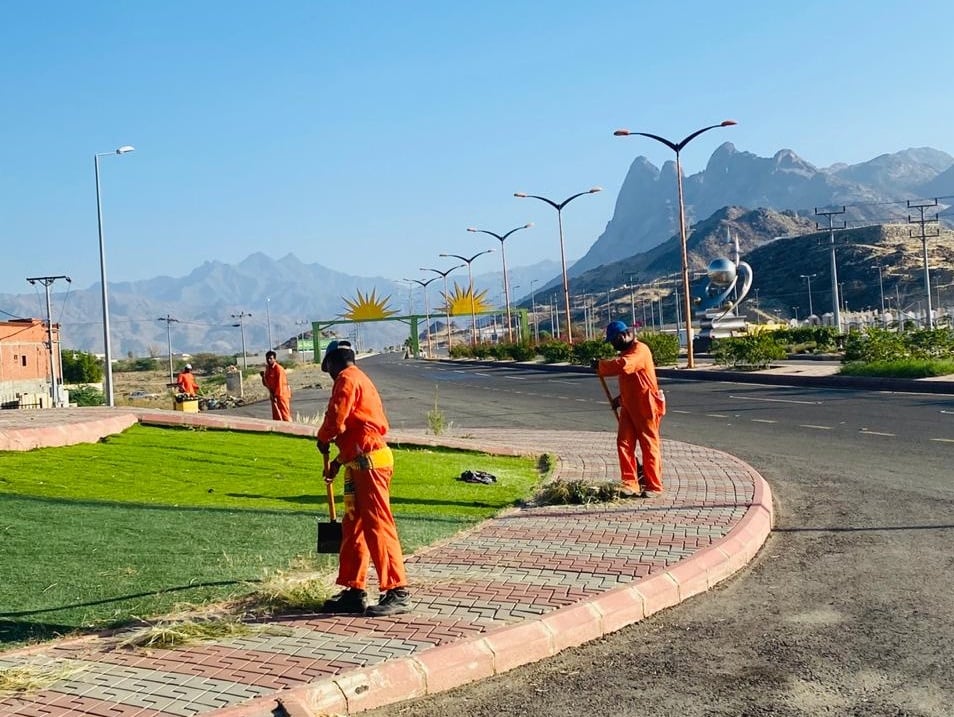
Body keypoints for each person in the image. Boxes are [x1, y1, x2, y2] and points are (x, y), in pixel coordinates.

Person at [315, 339, 411, 617]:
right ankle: (354, 590)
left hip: (370, 464)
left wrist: (323, 438)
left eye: (328, 369)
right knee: (353, 526)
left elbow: (336, 418)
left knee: (378, 525)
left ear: (333, 362)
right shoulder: (359, 378)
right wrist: (337, 462)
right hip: (358, 462)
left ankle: (397, 591)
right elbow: (356, 430)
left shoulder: (346, 379)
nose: (330, 375)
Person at [594, 321, 665, 498]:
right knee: (624, 443)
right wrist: (619, 400)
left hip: (646, 405)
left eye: (613, 341)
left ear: (623, 336)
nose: (613, 345)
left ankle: (654, 486)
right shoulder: (626, 352)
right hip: (628, 405)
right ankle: (630, 483)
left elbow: (625, 366)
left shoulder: (640, 350)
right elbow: (632, 383)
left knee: (648, 445)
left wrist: (601, 366)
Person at [260, 350, 292, 421]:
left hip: (282, 394)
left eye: (271, 358)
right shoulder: (268, 369)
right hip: (274, 394)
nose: (269, 360)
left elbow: (280, 383)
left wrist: (276, 395)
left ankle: (289, 426)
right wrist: (263, 377)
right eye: (267, 358)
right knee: (276, 414)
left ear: (274, 359)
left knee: (285, 413)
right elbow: (266, 383)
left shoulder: (279, 369)